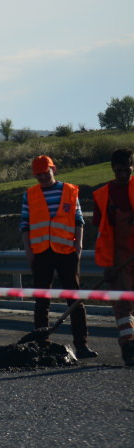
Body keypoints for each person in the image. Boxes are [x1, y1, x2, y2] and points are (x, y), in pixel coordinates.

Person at [20, 155, 95, 358]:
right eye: (39, 175)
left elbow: (79, 220)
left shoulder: (70, 191)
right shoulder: (30, 194)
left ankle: (81, 345)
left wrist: (78, 246)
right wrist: (28, 250)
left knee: (74, 299)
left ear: (54, 169)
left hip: (66, 252)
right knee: (42, 301)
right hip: (41, 253)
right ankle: (42, 345)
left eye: (46, 173)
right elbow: (25, 224)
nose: (43, 177)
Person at [92, 148, 134, 366]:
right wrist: (108, 265)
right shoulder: (103, 196)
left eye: (127, 170)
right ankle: (129, 347)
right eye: (119, 171)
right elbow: (102, 235)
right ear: (112, 169)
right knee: (123, 304)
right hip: (118, 258)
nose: (123, 175)